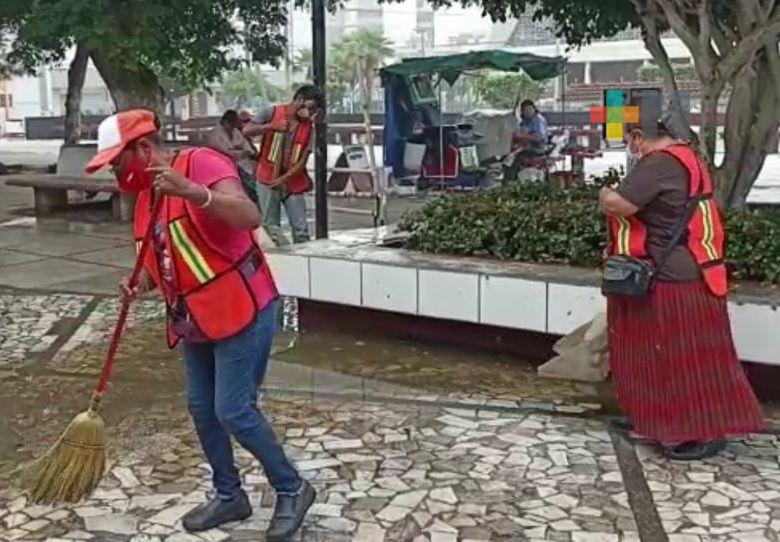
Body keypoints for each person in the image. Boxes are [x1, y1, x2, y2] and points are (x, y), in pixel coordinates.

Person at [84, 109, 315, 541]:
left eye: (118, 161)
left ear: (144, 149)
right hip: (195, 318)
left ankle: (293, 487)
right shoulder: (148, 196)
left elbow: (249, 217)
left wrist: (193, 193)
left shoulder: (200, 165)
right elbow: (173, 255)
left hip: (243, 309)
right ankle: (230, 496)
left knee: (234, 410)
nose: (116, 172)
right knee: (202, 409)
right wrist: (144, 283)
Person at [599, 116, 764, 461]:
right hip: (697, 271)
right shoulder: (689, 157)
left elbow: (620, 205)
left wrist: (604, 193)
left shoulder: (658, 163)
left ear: (641, 135)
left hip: (667, 278)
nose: (631, 146)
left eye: (631, 138)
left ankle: (691, 432)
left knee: (667, 357)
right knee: (696, 357)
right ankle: (683, 425)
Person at [242, 86, 321, 245]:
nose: (310, 114)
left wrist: (284, 179)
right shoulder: (271, 113)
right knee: (271, 227)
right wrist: (271, 127)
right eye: (309, 108)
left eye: (313, 111)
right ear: (299, 99)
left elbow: (302, 161)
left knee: (301, 229)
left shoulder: (308, 128)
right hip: (267, 177)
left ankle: (303, 261)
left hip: (293, 180)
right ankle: (281, 259)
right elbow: (247, 130)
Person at [205, 109, 258, 204]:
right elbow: (227, 153)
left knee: (251, 176)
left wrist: (241, 151)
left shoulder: (235, 131)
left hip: (241, 165)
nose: (232, 128)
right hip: (222, 167)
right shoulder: (215, 135)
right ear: (225, 122)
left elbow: (248, 149)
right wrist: (241, 152)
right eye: (231, 125)